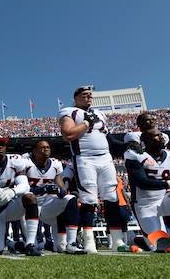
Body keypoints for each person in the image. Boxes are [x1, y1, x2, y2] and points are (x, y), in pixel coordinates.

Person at [58, 86, 127, 253]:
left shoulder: (100, 113)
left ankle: (117, 240)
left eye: (90, 95)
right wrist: (87, 123)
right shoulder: (69, 111)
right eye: (84, 95)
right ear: (75, 98)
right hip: (85, 158)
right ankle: (89, 240)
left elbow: (106, 137)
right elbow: (68, 134)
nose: (88, 97)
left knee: (111, 197)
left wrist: (125, 146)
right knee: (89, 199)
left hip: (105, 158)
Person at [25, 140, 85, 254]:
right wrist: (41, 189)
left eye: (47, 147)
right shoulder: (26, 163)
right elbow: (22, 188)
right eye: (42, 147)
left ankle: (71, 243)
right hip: (28, 207)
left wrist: (59, 190)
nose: (46, 149)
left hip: (47, 206)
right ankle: (26, 242)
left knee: (70, 199)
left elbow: (61, 188)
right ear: (34, 151)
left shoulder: (55, 164)